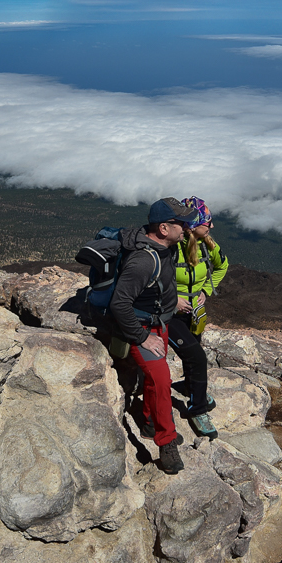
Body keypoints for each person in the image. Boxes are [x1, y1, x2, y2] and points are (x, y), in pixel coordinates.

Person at [108, 197, 196, 474]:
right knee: (160, 379)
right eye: (180, 223)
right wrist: (142, 338)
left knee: (154, 378)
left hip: (159, 322)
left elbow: (159, 285)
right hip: (142, 328)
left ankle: (147, 421)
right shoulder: (143, 261)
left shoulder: (165, 249)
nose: (186, 228)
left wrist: (174, 302)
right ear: (163, 228)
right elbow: (119, 304)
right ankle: (166, 442)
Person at [169, 197, 228, 439]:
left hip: (194, 311)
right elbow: (151, 277)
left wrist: (205, 290)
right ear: (194, 225)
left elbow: (222, 266)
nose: (212, 227)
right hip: (169, 313)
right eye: (208, 222)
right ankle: (197, 409)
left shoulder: (207, 245)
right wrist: (172, 299)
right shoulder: (171, 247)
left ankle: (192, 388)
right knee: (197, 356)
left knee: (194, 353)